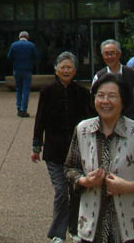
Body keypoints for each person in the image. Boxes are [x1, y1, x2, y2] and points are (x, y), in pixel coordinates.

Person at [65, 73, 134, 243]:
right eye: (100, 96)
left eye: (112, 96)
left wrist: (128, 186)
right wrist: (84, 181)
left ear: (123, 101)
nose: (105, 101)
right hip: (91, 227)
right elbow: (69, 168)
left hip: (132, 228)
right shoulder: (82, 130)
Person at [31, 52, 94, 243]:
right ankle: (58, 233)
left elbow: (91, 120)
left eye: (69, 67)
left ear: (75, 71)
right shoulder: (47, 91)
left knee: (75, 191)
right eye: (62, 67)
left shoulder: (82, 93)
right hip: (54, 151)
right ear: (56, 70)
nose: (66, 70)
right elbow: (40, 119)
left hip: (77, 151)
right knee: (60, 192)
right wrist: (36, 146)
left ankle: (74, 229)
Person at [92, 39, 134, 124]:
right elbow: (95, 103)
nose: (109, 57)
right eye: (106, 54)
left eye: (112, 53)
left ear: (119, 54)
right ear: (102, 55)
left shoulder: (131, 73)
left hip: (129, 123)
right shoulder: (98, 76)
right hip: (107, 123)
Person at [7, 30, 37, 117]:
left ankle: (18, 107)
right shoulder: (31, 45)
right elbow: (36, 56)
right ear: (27, 37)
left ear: (19, 37)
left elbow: (9, 57)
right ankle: (24, 109)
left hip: (16, 69)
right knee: (26, 90)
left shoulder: (14, 45)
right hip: (27, 70)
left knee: (18, 89)